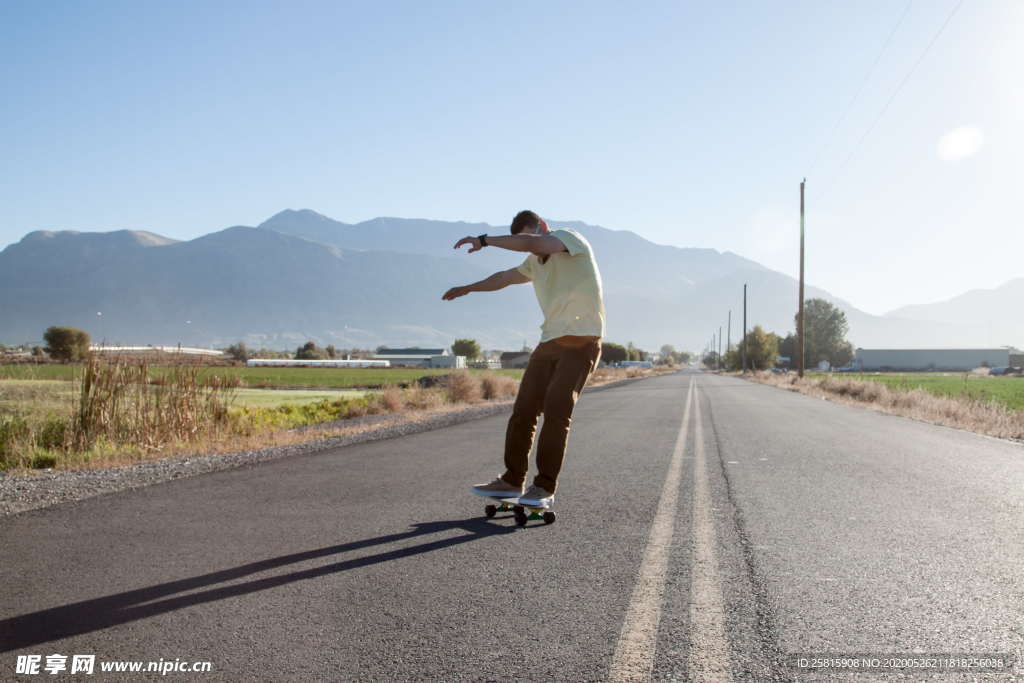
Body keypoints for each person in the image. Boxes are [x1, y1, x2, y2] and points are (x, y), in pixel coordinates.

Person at [441, 209, 605, 506]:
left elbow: (536, 244)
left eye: (529, 235)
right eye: (522, 240)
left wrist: (484, 240)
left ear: (542, 227)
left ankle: (544, 487)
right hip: (549, 342)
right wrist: (468, 288)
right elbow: (503, 278)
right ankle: (512, 480)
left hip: (583, 341)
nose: (527, 243)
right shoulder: (533, 262)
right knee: (524, 410)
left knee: (556, 411)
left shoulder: (569, 239)